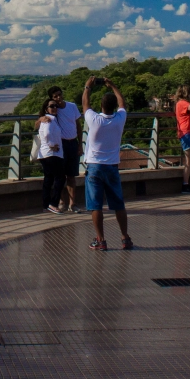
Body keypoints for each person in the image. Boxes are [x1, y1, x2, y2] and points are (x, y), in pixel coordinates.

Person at [81, 75, 133, 251]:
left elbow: (85, 104)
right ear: (113, 107)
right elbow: (122, 103)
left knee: (96, 205)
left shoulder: (94, 120)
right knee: (118, 204)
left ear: (101, 106)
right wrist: (112, 85)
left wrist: (88, 87)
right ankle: (125, 238)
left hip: (94, 166)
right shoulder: (119, 119)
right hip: (112, 167)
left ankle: (100, 240)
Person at [48, 86, 83, 212]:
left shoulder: (72, 106)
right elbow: (42, 118)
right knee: (60, 176)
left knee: (71, 176)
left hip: (72, 143)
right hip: (60, 145)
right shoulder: (54, 111)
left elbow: (78, 125)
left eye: (59, 94)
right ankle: (62, 202)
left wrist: (80, 144)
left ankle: (73, 204)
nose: (58, 98)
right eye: (55, 96)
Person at [34, 98, 67, 214]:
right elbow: (47, 134)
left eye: (56, 106)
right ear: (46, 109)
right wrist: (52, 145)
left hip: (44, 154)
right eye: (52, 106)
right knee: (60, 178)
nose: (55, 108)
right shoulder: (50, 119)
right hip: (52, 154)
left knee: (48, 179)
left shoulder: (46, 119)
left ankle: (46, 205)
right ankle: (53, 204)